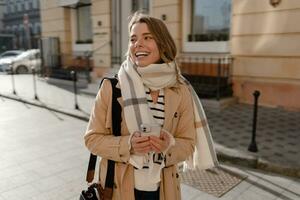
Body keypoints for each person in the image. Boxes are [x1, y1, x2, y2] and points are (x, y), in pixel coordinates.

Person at [84, 12, 217, 200]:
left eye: (147, 37)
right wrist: (128, 144)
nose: (137, 44)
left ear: (162, 44)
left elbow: (188, 143)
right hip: (118, 189)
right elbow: (92, 139)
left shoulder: (181, 90)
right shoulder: (112, 87)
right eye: (133, 39)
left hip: (163, 189)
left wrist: (168, 145)